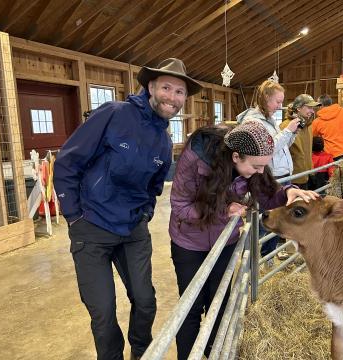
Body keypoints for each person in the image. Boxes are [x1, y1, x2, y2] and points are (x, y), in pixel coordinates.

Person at [53, 58, 202, 360]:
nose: (172, 98)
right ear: (150, 87)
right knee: (104, 312)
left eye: (180, 92)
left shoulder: (164, 139)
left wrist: (145, 214)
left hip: (133, 229)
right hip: (92, 228)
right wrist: (73, 215)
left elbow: (154, 187)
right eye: (166, 88)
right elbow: (68, 161)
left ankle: (141, 353)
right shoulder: (115, 114)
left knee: (145, 301)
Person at [169, 121, 319, 359]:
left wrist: (287, 192)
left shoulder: (251, 165)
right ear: (236, 156)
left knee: (219, 302)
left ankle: (217, 353)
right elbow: (179, 206)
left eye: (264, 165)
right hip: (189, 242)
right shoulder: (195, 159)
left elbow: (267, 194)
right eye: (256, 165)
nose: (260, 171)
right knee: (191, 307)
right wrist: (223, 211)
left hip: (224, 240)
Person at [236, 80, 302, 262]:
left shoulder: (269, 120)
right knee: (265, 220)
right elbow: (267, 149)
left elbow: (281, 147)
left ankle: (267, 256)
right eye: (277, 102)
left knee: (275, 218)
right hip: (269, 176)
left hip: (280, 174)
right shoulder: (254, 122)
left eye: (281, 102)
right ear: (265, 98)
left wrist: (292, 133)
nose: (280, 106)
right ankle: (253, 260)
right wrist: (287, 131)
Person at [280, 94, 321, 190]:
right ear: (298, 108)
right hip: (293, 178)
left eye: (313, 108)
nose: (312, 111)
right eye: (309, 107)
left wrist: (311, 169)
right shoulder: (285, 126)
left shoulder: (308, 126)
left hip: (307, 174)